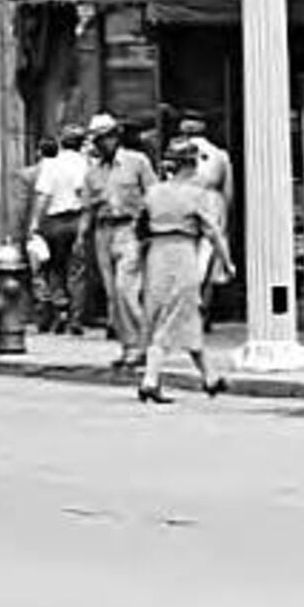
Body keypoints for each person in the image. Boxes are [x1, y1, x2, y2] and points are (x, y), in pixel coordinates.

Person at [135, 124, 235, 402]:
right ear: (189, 165)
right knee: (175, 314)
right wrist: (227, 263)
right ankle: (150, 379)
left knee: (185, 315)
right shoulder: (197, 195)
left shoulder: (153, 193)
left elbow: (140, 228)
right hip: (182, 254)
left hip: (156, 255)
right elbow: (213, 232)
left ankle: (210, 378)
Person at [80, 113, 155, 368]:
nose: (104, 143)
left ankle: (143, 344)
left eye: (107, 138)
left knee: (127, 289)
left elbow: (153, 195)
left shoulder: (137, 163)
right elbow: (87, 209)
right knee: (113, 293)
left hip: (129, 228)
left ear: (116, 137)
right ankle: (129, 346)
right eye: (99, 140)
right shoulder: (92, 173)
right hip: (103, 231)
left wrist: (151, 227)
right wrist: (82, 237)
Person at [27, 130, 92, 333]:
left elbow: (43, 196)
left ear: (62, 144)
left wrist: (35, 222)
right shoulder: (85, 164)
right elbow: (84, 193)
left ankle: (60, 309)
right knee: (77, 270)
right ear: (81, 144)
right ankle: (76, 317)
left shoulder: (51, 164)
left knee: (55, 267)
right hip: (77, 218)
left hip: (54, 222)